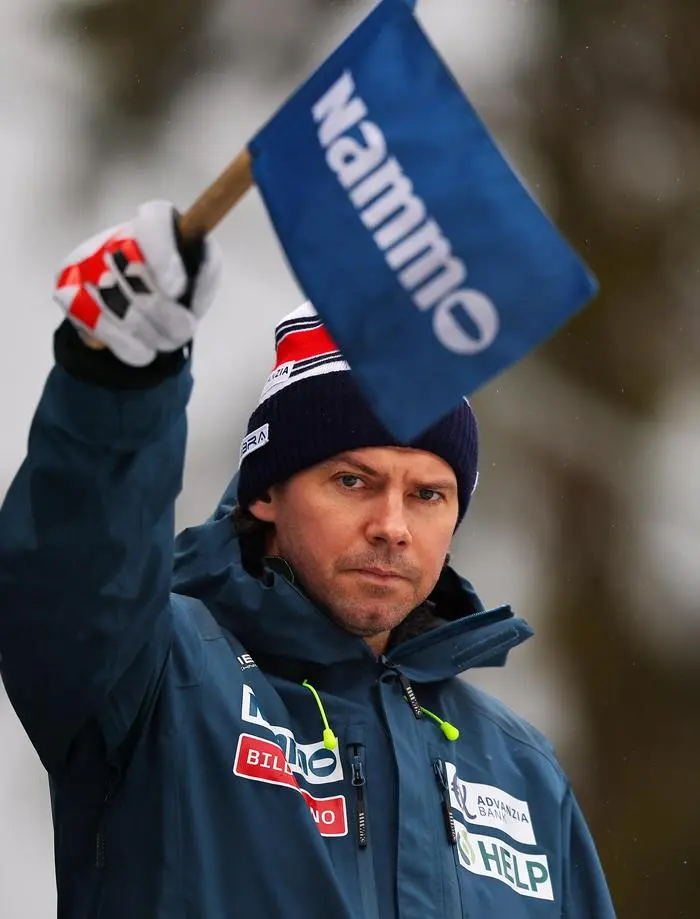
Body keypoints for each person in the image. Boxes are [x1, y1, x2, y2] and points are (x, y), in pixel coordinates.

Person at [0, 201, 616, 918]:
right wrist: (116, 384)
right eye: (352, 481)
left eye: (428, 494)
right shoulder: (156, 674)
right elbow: (71, 576)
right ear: (267, 492)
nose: (392, 525)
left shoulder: (522, 770)